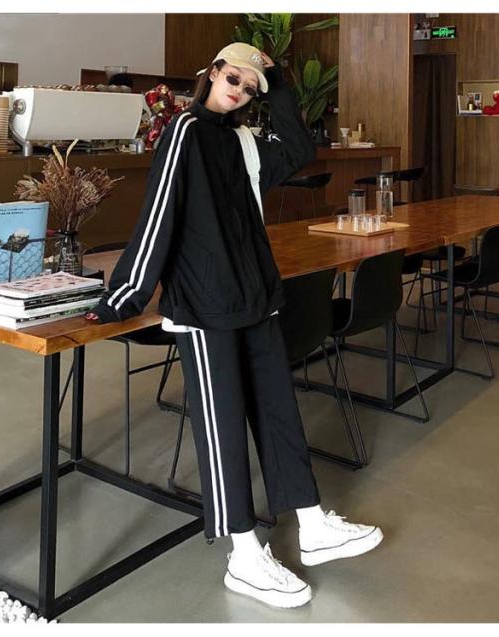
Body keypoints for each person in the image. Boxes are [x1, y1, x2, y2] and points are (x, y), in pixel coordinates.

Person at [86, 42, 383, 609]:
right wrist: (125, 296)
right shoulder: (184, 132)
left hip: (256, 298)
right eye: (233, 78)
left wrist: (282, 82)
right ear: (213, 73)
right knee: (222, 426)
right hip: (204, 306)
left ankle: (312, 523)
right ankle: (244, 555)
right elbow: (158, 215)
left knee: (278, 411)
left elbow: (298, 148)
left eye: (250, 88)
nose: (240, 91)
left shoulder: (243, 141)